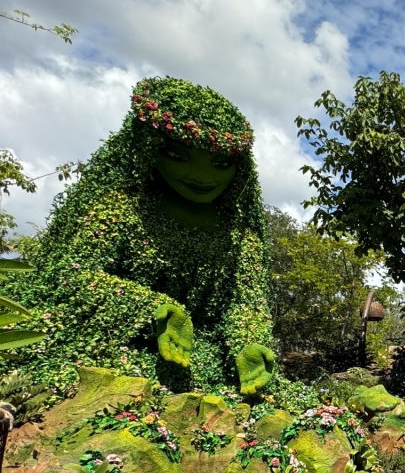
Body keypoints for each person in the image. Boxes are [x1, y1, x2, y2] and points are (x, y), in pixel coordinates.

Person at [5, 77, 276, 395]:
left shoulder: (242, 237)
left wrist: (249, 343)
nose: (203, 177)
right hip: (110, 346)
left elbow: (246, 303)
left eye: (220, 164)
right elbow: (69, 275)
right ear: (148, 146)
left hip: (204, 360)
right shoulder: (119, 207)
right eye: (179, 156)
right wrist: (154, 310)